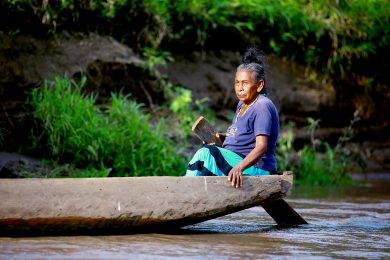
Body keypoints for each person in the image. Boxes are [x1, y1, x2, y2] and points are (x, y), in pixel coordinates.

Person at [185, 45, 280, 188]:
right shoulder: (242, 104)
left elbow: (261, 147)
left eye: (245, 83)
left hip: (257, 168)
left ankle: (184, 189)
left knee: (205, 154)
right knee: (207, 153)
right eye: (237, 83)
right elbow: (243, 136)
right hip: (236, 161)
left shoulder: (262, 106)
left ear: (259, 85)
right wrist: (223, 138)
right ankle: (189, 190)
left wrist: (239, 168)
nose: (240, 88)